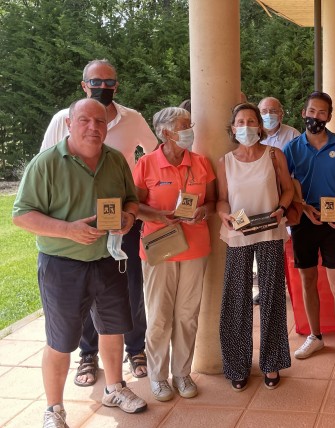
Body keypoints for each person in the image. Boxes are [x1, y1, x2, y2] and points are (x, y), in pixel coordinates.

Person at [13, 98, 147, 428]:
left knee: (113, 329)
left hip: (109, 259)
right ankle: (54, 409)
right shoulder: (45, 164)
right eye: (84, 120)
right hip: (63, 265)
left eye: (100, 122)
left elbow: (131, 199)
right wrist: (68, 230)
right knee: (61, 341)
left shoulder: (115, 160)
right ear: (69, 124)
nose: (93, 127)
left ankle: (114, 389)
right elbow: (21, 215)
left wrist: (128, 217)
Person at [40, 59, 158, 386]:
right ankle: (87, 355)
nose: (102, 87)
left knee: (130, 288)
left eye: (109, 82)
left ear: (116, 86)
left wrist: (135, 203)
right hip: (77, 224)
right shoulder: (62, 120)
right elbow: (45, 162)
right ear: (83, 85)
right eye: (96, 81)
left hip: (122, 221)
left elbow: (152, 156)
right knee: (83, 292)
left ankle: (135, 348)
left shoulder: (132, 119)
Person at [133, 107, 216, 401]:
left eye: (189, 125)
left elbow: (214, 201)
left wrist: (202, 211)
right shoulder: (146, 164)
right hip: (160, 247)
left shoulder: (201, 163)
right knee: (158, 317)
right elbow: (134, 205)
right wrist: (158, 214)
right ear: (166, 133)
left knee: (187, 315)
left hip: (195, 248)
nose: (189, 130)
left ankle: (182, 373)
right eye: (183, 126)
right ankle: (158, 377)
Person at [217, 102, 293, 391]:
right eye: (240, 121)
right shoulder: (225, 161)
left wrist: (282, 208)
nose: (246, 126)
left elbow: (287, 190)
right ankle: (237, 364)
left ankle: (272, 361)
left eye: (252, 121)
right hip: (238, 234)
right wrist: (224, 214)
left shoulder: (274, 155)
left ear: (260, 126)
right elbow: (222, 198)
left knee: (272, 297)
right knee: (236, 299)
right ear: (233, 127)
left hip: (270, 232)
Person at [283, 91, 335, 380]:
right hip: (302, 221)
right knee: (307, 280)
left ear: (329, 116)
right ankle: (315, 336)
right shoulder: (292, 148)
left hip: (332, 222)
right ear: (304, 113)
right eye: (312, 111)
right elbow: (287, 184)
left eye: (322, 112)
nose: (316, 117)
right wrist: (301, 207)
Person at [253, 96, 301, 305]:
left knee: (282, 244)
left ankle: (287, 287)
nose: (268, 115)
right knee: (262, 245)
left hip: (285, 197)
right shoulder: (252, 136)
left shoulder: (293, 135)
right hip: (258, 198)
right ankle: (266, 290)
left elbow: (298, 170)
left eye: (273, 111)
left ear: (281, 114)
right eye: (264, 111)